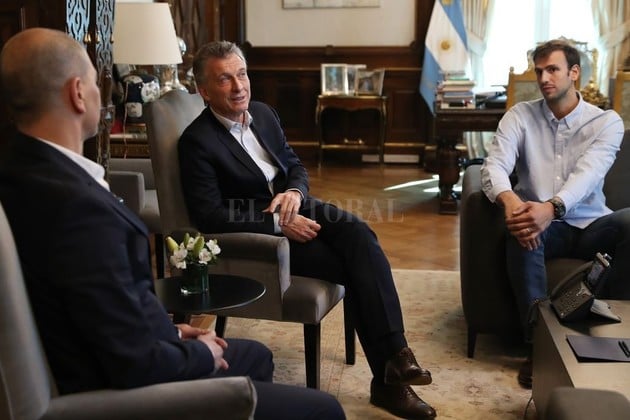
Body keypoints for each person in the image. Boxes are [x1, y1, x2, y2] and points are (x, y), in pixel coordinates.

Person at [0, 28, 346, 420]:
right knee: (324, 409)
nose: (101, 95)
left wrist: (173, 331)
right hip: (122, 394)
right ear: (78, 93)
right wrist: (197, 353)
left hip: (116, 347)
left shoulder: (23, 175)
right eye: (97, 84)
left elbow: (96, 311)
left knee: (256, 354)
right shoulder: (78, 211)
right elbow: (131, 363)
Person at [178, 40, 437, 420]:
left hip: (297, 205)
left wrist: (295, 192)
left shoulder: (263, 113)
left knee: (360, 235)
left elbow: (295, 165)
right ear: (204, 90)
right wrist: (278, 222)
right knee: (353, 266)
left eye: (242, 74)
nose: (239, 86)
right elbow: (210, 216)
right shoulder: (196, 142)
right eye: (224, 79)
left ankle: (397, 359)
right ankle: (390, 382)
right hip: (262, 235)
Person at [480, 39, 628, 389]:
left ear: (574, 73)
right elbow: (494, 166)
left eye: (553, 70)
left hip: (593, 224)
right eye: (539, 71)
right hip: (542, 227)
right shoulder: (519, 115)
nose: (544, 78)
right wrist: (510, 201)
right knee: (521, 228)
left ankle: (617, 334)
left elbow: (588, 174)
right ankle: (539, 346)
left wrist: (553, 207)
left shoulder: (605, 122)